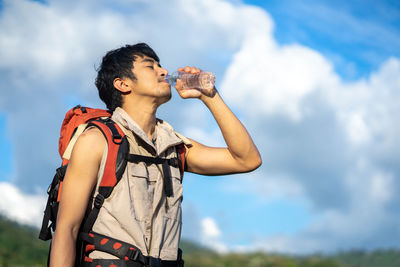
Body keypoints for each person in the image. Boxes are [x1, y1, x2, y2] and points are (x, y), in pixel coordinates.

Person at [50, 43, 261, 267]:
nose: (162, 71)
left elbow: (246, 160)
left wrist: (210, 97)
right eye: (150, 66)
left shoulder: (174, 146)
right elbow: (67, 229)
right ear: (122, 84)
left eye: (160, 66)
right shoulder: (97, 140)